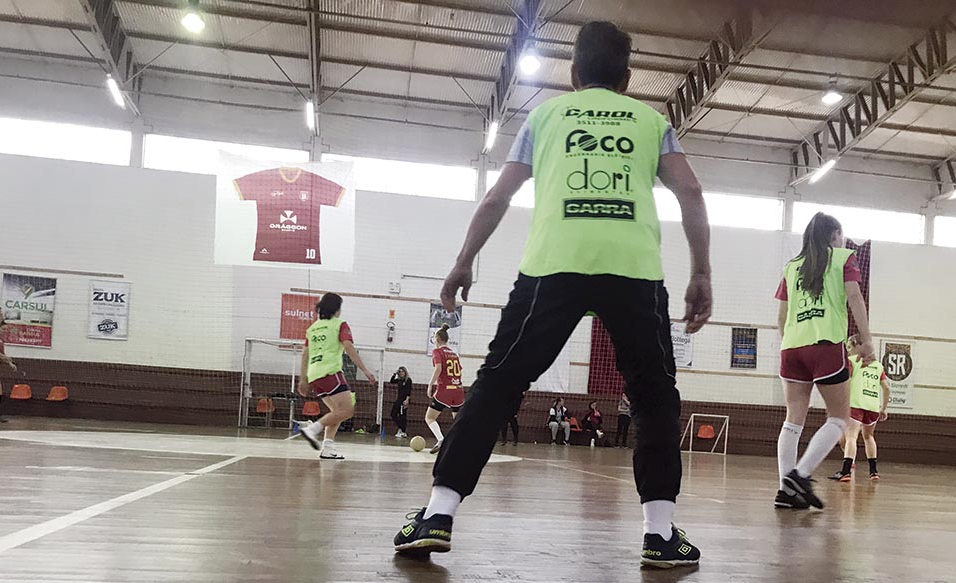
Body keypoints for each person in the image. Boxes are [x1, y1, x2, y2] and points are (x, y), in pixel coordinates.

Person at [394, 21, 712, 569]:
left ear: (574, 73)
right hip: (633, 271)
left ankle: (438, 514)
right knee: (654, 394)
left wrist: (463, 260)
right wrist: (701, 271)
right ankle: (659, 534)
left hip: (552, 269)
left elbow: (499, 196)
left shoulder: (544, 118)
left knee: (499, 383)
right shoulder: (651, 120)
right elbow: (690, 189)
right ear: (628, 77)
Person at [774, 212, 874, 510]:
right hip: (825, 345)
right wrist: (867, 339)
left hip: (791, 347)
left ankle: (785, 490)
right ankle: (800, 476)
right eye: (840, 234)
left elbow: (782, 315)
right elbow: (854, 297)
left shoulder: (792, 267)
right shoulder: (844, 257)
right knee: (839, 417)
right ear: (834, 235)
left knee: (793, 419)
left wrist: (791, 342)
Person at [297, 293, 377, 460]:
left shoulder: (312, 329)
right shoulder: (339, 325)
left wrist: (303, 379)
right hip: (330, 372)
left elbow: (305, 354)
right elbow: (349, 347)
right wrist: (365, 370)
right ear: (336, 310)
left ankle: (327, 448)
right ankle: (312, 429)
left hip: (314, 375)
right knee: (347, 410)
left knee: (337, 412)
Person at [830, 336, 890, 482]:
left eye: (849, 347)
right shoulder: (877, 365)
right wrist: (884, 408)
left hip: (856, 404)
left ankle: (846, 472)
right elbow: (887, 388)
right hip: (873, 407)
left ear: (856, 346)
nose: (848, 351)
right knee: (869, 437)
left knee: (851, 437)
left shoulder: (853, 362)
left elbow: (846, 383)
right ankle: (873, 472)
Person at [425, 324, 464, 454]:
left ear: (437, 339)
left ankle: (441, 439)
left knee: (430, 418)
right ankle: (463, 445)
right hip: (458, 389)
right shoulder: (454, 354)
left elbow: (438, 368)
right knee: (458, 421)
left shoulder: (437, 352)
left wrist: (430, 384)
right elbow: (459, 371)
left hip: (445, 390)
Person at [390, 366, 413, 438]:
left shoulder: (408, 380)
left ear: (405, 372)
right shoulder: (399, 380)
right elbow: (391, 381)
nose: (401, 373)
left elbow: (409, 391)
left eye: (402, 371)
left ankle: (403, 431)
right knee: (393, 414)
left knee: (402, 416)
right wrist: (395, 374)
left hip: (404, 400)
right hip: (398, 400)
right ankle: (401, 428)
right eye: (400, 372)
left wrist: (407, 400)